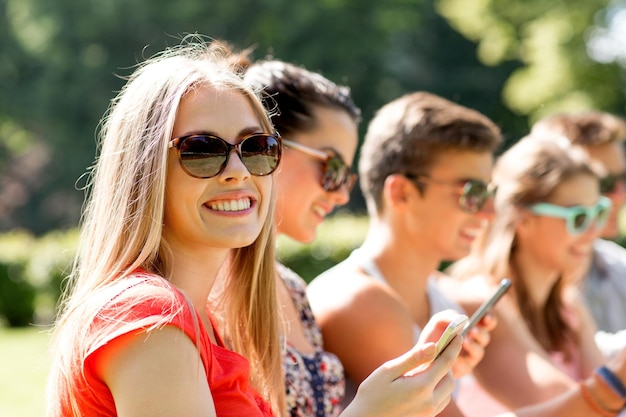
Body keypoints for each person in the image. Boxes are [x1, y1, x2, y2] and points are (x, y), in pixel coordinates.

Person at [45, 39, 464, 417]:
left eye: (257, 147)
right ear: (143, 172)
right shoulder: (149, 316)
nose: (238, 171)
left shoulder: (204, 324)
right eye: (203, 150)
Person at [241, 58, 464, 417]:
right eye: (332, 169)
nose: (342, 195)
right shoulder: (206, 291)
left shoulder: (293, 288)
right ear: (268, 147)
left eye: (347, 177)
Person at [307, 91, 501, 417]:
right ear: (401, 193)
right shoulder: (357, 300)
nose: (490, 212)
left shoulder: (440, 291)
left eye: (491, 192)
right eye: (473, 193)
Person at [445, 134, 626, 417]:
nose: (593, 232)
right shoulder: (481, 301)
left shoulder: (568, 304)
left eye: (598, 212)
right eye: (578, 217)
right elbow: (576, 404)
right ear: (523, 219)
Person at [531, 112, 626, 354]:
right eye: (603, 184)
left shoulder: (616, 265)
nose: (620, 195)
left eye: (623, 178)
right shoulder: (506, 287)